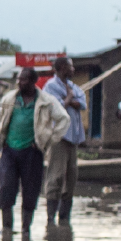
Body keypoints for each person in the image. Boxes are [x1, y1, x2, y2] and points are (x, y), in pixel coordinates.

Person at [0, 69, 70, 233]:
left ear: (33, 81)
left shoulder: (46, 101)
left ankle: (25, 231)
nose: (20, 83)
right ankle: (7, 230)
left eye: (24, 80)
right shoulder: (10, 99)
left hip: (32, 153)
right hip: (9, 151)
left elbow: (64, 119)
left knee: (30, 191)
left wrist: (48, 140)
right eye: (19, 80)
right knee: (6, 187)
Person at [42, 58, 88, 225]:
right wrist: (68, 99)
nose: (73, 69)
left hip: (73, 137)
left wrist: (68, 100)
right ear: (62, 68)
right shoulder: (50, 86)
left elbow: (82, 104)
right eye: (70, 66)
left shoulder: (74, 87)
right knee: (56, 175)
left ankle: (64, 218)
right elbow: (53, 107)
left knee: (72, 176)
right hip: (59, 136)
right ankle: (50, 219)